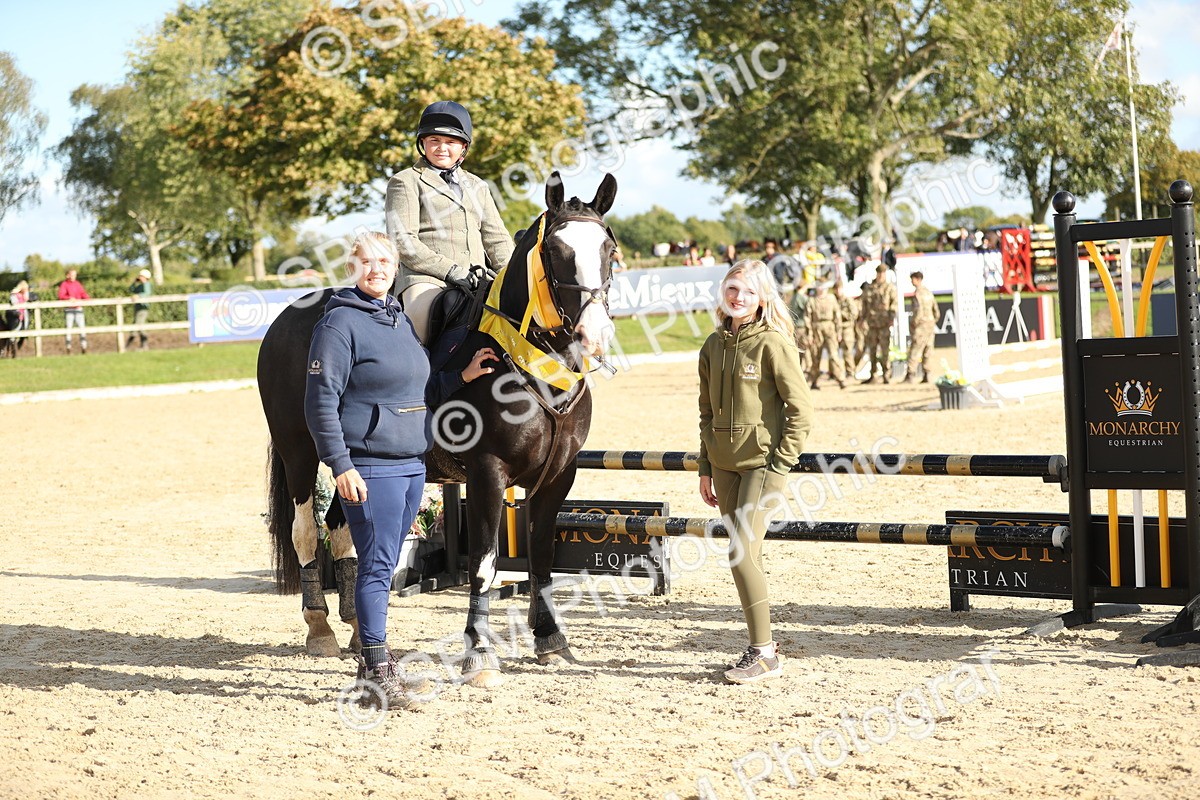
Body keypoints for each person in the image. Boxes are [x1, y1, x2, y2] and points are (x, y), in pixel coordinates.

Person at [304, 231, 435, 711]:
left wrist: (461, 377)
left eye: (385, 260)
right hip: (369, 467)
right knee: (377, 567)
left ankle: (372, 667)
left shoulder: (398, 317)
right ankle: (377, 673)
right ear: (351, 268)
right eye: (366, 261)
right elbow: (320, 402)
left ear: (396, 265)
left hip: (410, 464)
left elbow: (413, 380)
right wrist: (340, 465)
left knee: (386, 564)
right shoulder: (339, 324)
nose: (377, 268)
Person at [698, 259, 813, 684]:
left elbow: (800, 409)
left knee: (740, 553)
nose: (738, 297)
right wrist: (706, 466)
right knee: (746, 554)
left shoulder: (774, 344)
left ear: (762, 297)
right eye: (732, 288)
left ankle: (763, 653)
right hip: (722, 468)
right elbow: (705, 412)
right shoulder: (711, 346)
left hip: (763, 465)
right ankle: (763, 645)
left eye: (747, 291)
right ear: (723, 292)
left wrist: (781, 461)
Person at [385, 100, 514, 344]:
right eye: (434, 140)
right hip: (426, 280)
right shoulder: (406, 181)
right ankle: (417, 377)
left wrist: (512, 274)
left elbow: (497, 238)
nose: (442, 148)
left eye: (451, 142)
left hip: (480, 279)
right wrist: (451, 271)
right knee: (418, 326)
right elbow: (404, 242)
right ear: (423, 143)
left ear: (463, 147)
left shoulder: (478, 186)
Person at [861, 263, 898, 384]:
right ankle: (873, 374)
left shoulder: (889, 288)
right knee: (872, 350)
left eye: (883, 273)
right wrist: (863, 319)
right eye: (879, 273)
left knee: (885, 350)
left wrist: (891, 318)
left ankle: (886, 374)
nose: (881, 275)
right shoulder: (870, 288)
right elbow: (865, 305)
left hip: (884, 324)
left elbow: (894, 304)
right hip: (872, 324)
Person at [805, 282, 845, 390]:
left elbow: (837, 316)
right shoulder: (812, 300)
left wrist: (839, 332)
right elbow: (807, 318)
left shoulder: (831, 299)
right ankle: (814, 381)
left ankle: (840, 379)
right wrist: (810, 335)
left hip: (830, 328)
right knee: (815, 356)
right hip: (816, 329)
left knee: (834, 355)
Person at [902, 271, 940, 383]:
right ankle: (927, 374)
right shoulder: (929, 293)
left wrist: (914, 323)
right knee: (928, 350)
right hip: (930, 325)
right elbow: (936, 312)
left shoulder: (917, 294)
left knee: (915, 350)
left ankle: (910, 374)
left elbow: (918, 311)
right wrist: (931, 321)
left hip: (921, 326)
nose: (911, 281)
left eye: (913, 279)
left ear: (918, 279)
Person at [58, 269, 89, 354]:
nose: (73, 276)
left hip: (78, 309)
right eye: (72, 275)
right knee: (69, 329)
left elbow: (82, 293)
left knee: (82, 328)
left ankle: (84, 347)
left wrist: (88, 299)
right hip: (69, 309)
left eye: (74, 275)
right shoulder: (64, 284)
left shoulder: (77, 284)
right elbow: (61, 295)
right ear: (67, 275)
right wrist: (69, 298)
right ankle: (68, 348)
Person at [835, 283, 860, 380]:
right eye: (836, 289)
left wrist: (842, 314)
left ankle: (850, 372)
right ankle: (835, 373)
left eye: (839, 289)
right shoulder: (834, 300)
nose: (838, 291)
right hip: (836, 329)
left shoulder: (848, 300)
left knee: (847, 351)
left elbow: (854, 314)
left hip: (847, 328)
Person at [127, 269, 153, 350]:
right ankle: (128, 346)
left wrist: (138, 296)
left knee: (139, 325)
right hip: (138, 307)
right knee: (136, 325)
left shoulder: (147, 284)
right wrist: (135, 282)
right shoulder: (140, 285)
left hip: (143, 308)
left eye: (141, 276)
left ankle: (142, 345)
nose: (139, 277)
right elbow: (131, 289)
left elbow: (147, 293)